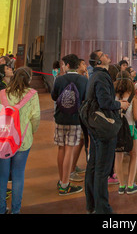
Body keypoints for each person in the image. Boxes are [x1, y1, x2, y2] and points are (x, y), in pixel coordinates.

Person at [84, 50, 129, 214]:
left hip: (94, 125)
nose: (107, 55)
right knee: (102, 169)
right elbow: (104, 101)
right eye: (102, 54)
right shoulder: (102, 76)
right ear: (98, 62)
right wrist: (120, 105)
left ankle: (92, 205)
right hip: (103, 127)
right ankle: (103, 209)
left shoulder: (94, 76)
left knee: (94, 166)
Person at [0, 67, 40, 214]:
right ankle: (16, 210)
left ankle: (1, 209)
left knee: (2, 176)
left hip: (3, 140)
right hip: (23, 139)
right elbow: (35, 117)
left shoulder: (2, 94)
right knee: (18, 174)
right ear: (28, 79)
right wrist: (32, 131)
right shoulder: (32, 95)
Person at [51, 54, 87, 195]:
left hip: (60, 118)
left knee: (61, 149)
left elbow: (54, 96)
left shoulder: (59, 79)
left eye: (62, 64)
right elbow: (85, 98)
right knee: (69, 150)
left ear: (67, 65)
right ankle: (65, 185)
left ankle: (62, 181)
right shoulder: (83, 80)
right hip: (75, 119)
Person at [114, 71, 137, 195]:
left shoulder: (113, 96)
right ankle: (130, 185)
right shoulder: (133, 96)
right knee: (134, 155)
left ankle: (121, 185)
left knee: (118, 157)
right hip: (130, 128)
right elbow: (136, 117)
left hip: (116, 129)